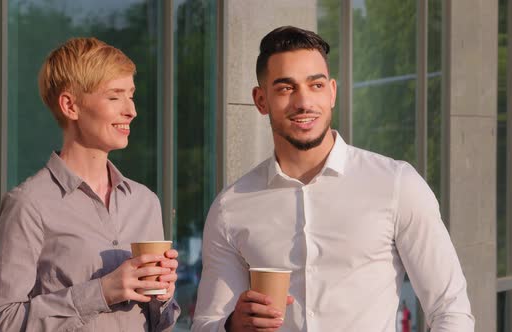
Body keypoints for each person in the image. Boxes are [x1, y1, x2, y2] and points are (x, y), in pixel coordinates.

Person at [192, 26, 474, 331]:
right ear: (261, 100)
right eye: (286, 88)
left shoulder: (396, 185)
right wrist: (232, 325)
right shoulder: (231, 207)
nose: (303, 102)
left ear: (332, 93)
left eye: (315, 85)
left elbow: (450, 309)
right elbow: (206, 323)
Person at [0, 37, 180, 331]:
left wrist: (163, 297)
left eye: (131, 95)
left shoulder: (145, 202)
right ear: (70, 105)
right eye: (115, 96)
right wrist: (101, 292)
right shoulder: (28, 204)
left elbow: (157, 324)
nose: (131, 110)